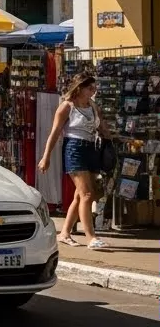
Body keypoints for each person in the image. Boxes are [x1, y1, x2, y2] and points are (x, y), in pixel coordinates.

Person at [40, 73, 108, 249]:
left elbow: (101, 127)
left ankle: (64, 233)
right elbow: (54, 133)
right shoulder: (67, 106)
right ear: (80, 88)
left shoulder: (92, 105)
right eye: (90, 88)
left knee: (80, 196)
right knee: (87, 195)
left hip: (91, 149)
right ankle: (91, 237)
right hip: (74, 148)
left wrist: (112, 140)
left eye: (95, 88)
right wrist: (46, 156)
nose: (93, 91)